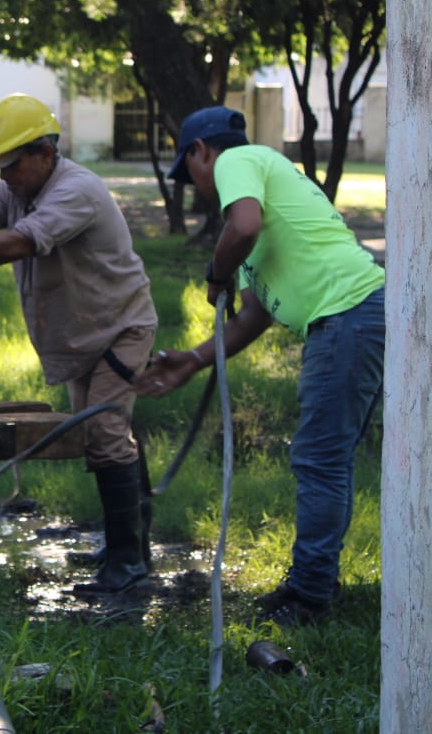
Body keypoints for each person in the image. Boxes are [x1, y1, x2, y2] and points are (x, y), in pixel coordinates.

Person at [0, 93, 158, 594]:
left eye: (10, 164)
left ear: (44, 151)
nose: (3, 176)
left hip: (121, 327)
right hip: (83, 331)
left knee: (104, 436)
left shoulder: (74, 190)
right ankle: (129, 546)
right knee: (105, 437)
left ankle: (127, 564)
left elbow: (18, 242)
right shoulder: (19, 189)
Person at [136, 105, 385, 627]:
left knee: (319, 459)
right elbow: (253, 317)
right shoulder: (258, 210)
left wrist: (214, 271)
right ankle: (313, 583)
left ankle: (309, 597)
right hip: (349, 318)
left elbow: (242, 228)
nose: (198, 186)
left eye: (191, 172)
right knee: (327, 460)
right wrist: (196, 360)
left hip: (347, 313)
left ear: (202, 150)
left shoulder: (240, 161)